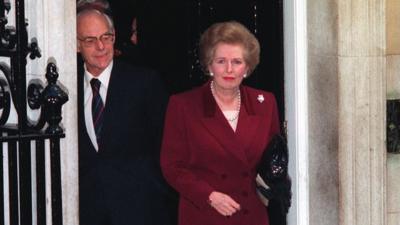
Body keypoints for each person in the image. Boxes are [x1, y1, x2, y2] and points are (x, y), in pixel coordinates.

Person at [160, 21, 281, 225]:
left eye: (237, 62)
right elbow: (171, 166)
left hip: (250, 214)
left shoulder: (265, 103)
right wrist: (209, 196)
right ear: (209, 65)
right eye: (221, 61)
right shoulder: (183, 105)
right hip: (205, 213)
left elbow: (273, 160)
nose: (229, 69)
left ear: (248, 67)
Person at [77, 8, 175, 225]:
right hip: (88, 210)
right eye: (91, 40)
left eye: (106, 37)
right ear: (76, 44)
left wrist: (155, 191)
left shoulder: (144, 82)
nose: (101, 46)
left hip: (140, 208)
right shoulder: (68, 89)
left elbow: (167, 144)